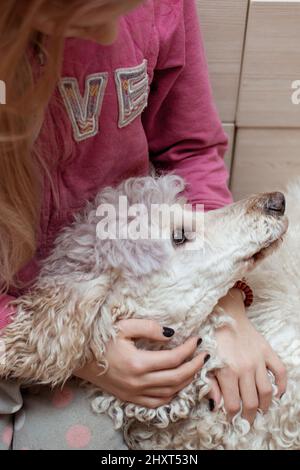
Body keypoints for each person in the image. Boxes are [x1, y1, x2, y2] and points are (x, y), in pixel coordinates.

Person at [0, 0, 286, 450]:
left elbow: (189, 150)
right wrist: (81, 352)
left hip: (125, 313)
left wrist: (227, 310)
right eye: (93, 16)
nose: (111, 34)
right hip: (27, 328)